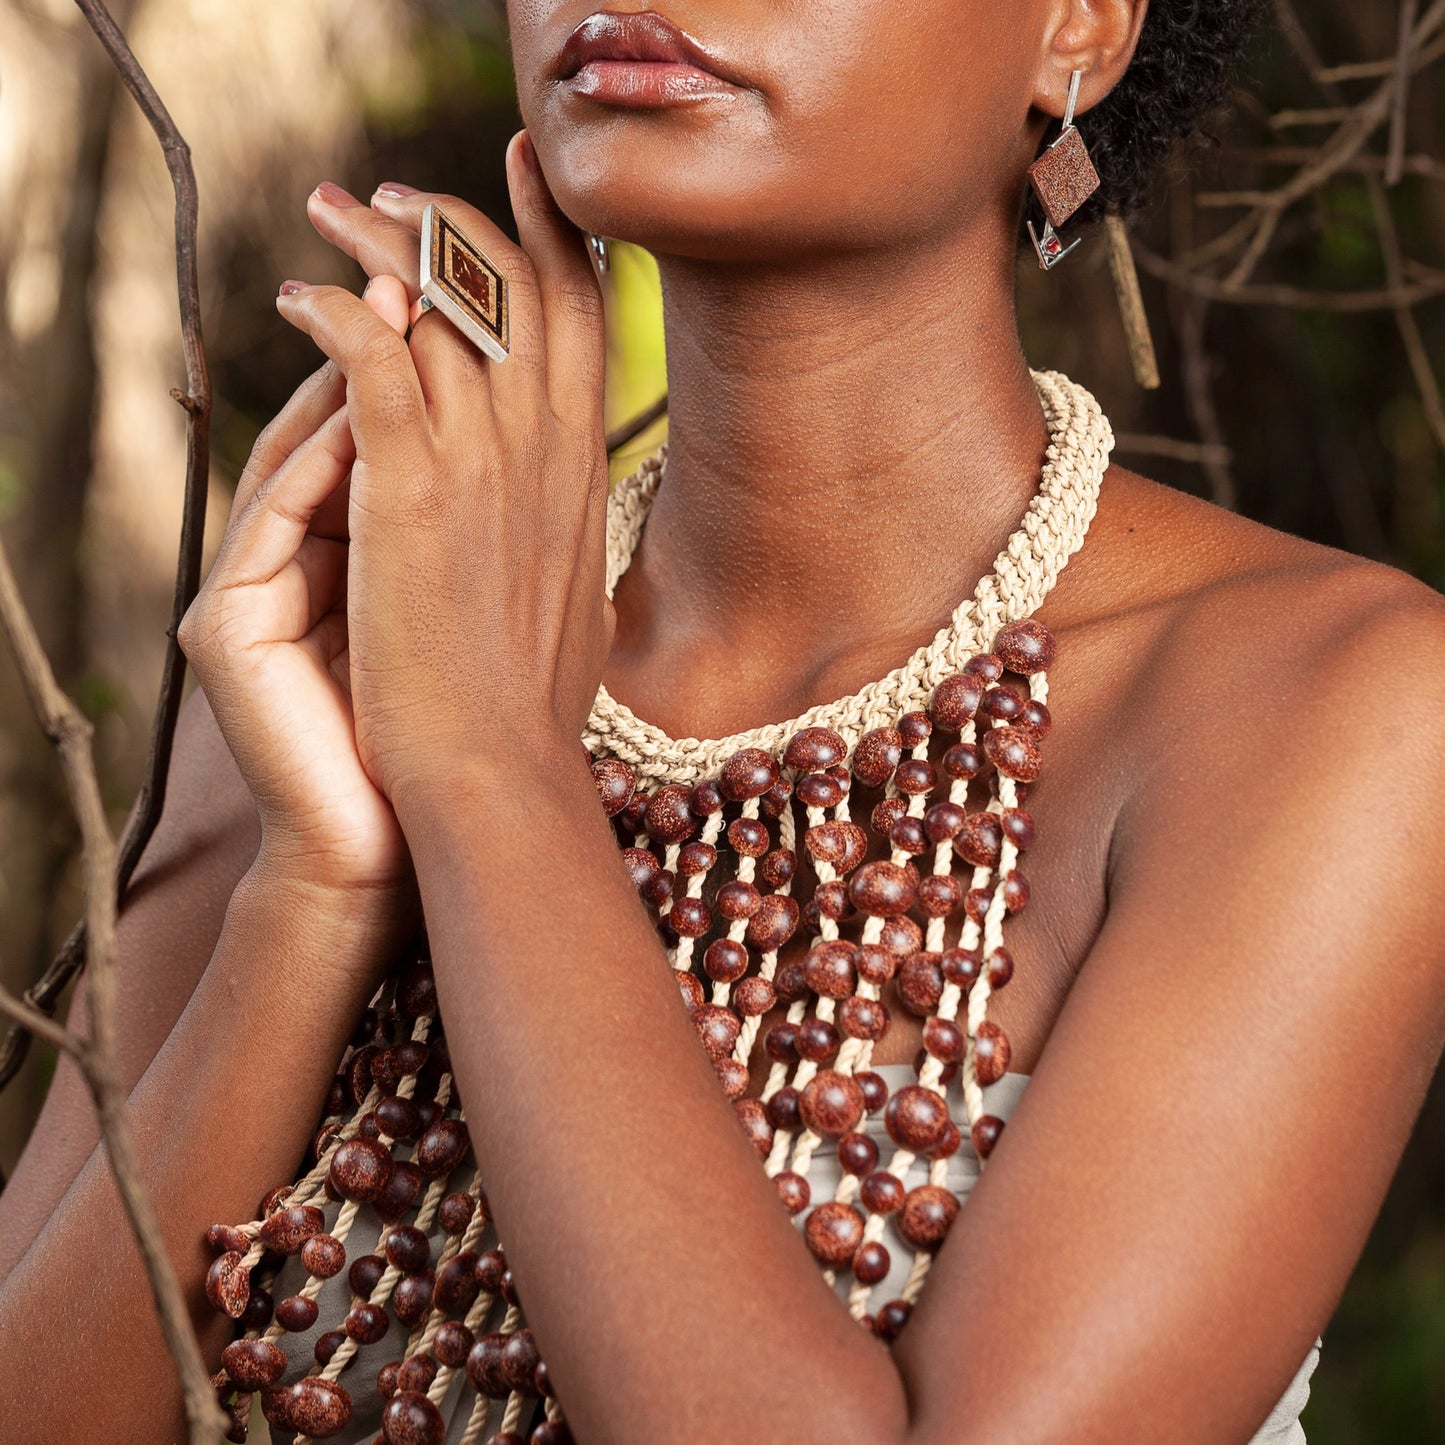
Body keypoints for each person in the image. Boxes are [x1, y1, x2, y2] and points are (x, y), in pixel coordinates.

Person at [3, 2, 1445, 1441]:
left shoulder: (1333, 703)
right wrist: (319, 886)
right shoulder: (359, 657)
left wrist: (493, 768)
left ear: (1075, 26)